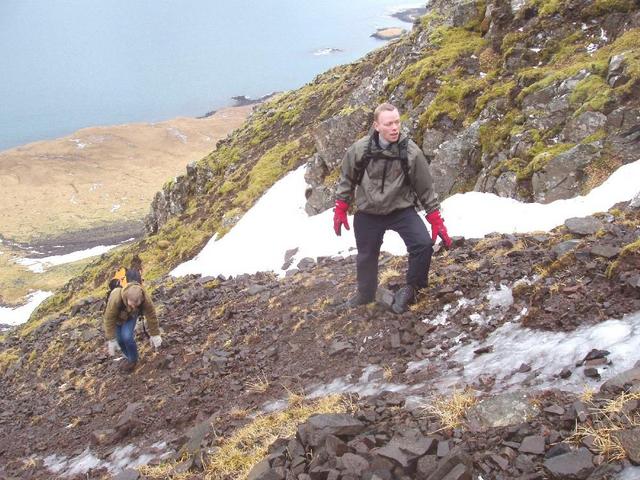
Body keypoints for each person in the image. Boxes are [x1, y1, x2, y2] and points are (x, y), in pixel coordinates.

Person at [333, 102, 452, 313]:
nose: (395, 127)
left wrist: (435, 219)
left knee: (423, 245)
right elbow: (347, 179)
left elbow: (425, 187)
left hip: (401, 209)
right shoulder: (360, 149)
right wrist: (340, 207)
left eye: (397, 122)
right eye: (389, 124)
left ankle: (412, 287)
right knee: (366, 255)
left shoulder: (411, 152)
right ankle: (365, 294)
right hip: (368, 212)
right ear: (377, 126)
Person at [104, 280, 161, 372]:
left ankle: (133, 360)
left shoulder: (145, 299)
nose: (134, 307)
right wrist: (111, 339)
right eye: (132, 304)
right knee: (120, 340)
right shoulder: (116, 298)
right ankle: (128, 356)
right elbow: (109, 318)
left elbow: (151, 315)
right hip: (117, 319)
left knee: (127, 337)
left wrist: (155, 334)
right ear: (126, 298)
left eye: (136, 305)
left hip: (131, 316)